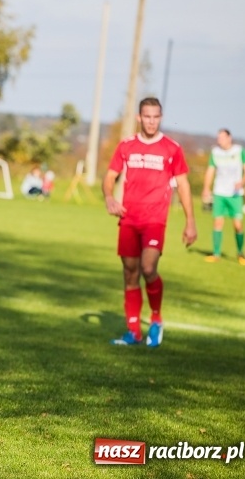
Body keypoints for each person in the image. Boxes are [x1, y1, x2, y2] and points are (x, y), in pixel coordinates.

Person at [102, 97, 196, 348]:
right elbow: (110, 175)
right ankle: (133, 331)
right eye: (147, 116)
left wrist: (190, 222)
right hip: (128, 218)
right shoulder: (126, 146)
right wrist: (109, 197)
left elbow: (184, 185)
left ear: (160, 118)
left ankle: (156, 319)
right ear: (139, 118)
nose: (151, 121)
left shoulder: (172, 149)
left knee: (148, 268)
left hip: (155, 219)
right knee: (129, 273)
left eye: (156, 117)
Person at [202, 128, 245, 265]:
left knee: (237, 225)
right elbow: (210, 171)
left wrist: (242, 182)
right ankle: (216, 253)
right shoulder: (215, 152)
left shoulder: (239, 151)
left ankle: (240, 253)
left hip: (235, 194)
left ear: (229, 138)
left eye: (222, 137)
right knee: (217, 222)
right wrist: (206, 187)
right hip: (219, 192)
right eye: (218, 138)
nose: (220, 140)